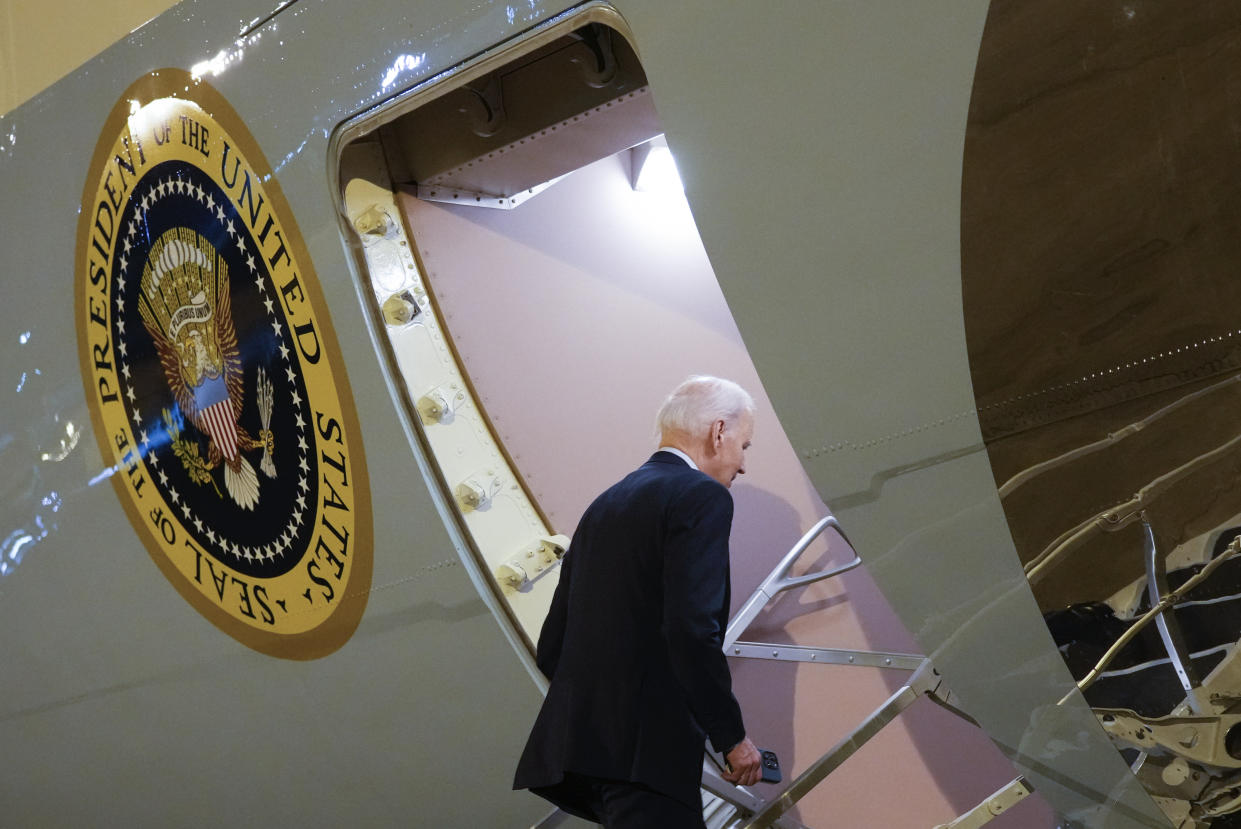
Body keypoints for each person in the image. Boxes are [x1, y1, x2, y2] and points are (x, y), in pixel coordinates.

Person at [514, 375, 763, 828]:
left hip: (584, 756)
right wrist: (731, 737)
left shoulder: (605, 504)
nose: (742, 464)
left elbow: (553, 645)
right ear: (719, 431)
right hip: (648, 755)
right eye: (745, 446)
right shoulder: (701, 496)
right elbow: (691, 629)